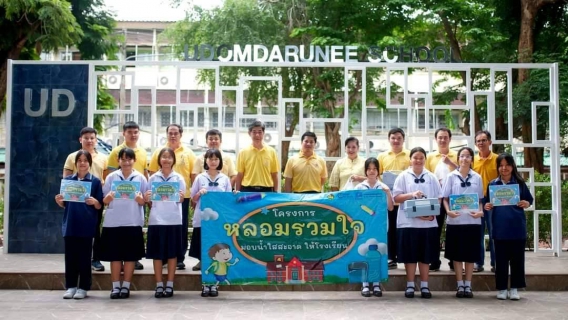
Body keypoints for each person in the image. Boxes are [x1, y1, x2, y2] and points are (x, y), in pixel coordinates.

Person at [392, 147, 442, 299]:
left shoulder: (431, 177)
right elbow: (396, 198)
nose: (418, 160)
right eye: (415, 157)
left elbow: (439, 198)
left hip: (427, 224)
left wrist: (430, 213)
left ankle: (425, 286)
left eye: (421, 158)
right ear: (410, 159)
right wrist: (412, 195)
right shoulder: (402, 176)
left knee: (425, 256)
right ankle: (410, 285)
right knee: (410, 256)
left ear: (425, 160)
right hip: (408, 224)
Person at [484, 153, 533, 301]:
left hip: (517, 227)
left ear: (512, 166)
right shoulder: (493, 184)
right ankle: (502, 289)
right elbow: (487, 202)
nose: (504, 168)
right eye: (501, 165)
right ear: (498, 167)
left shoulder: (519, 183)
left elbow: (529, 200)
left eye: (507, 165)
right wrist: (487, 205)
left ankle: (514, 289)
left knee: (517, 260)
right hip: (500, 228)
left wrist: (526, 203)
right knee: (501, 260)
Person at [56, 150, 103, 300]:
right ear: (75, 163)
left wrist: (95, 202)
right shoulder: (69, 181)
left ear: (90, 163)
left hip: (86, 225)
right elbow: (65, 203)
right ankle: (70, 286)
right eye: (79, 160)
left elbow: (100, 205)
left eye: (85, 160)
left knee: (84, 258)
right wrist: (59, 201)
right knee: (70, 258)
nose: (82, 163)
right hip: (70, 224)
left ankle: (83, 287)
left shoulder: (95, 182)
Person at [101, 148, 148, 299]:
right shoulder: (111, 177)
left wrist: (140, 200)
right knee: (115, 256)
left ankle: (126, 287)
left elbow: (145, 201)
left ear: (134, 161)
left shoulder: (140, 178)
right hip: (113, 223)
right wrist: (108, 197)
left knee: (130, 257)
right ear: (118, 161)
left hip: (133, 222)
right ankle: (115, 287)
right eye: (123, 159)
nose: (126, 162)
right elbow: (104, 200)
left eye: (129, 159)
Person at [149, 124, 196, 270]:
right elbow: (152, 173)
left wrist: (193, 196)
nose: (173, 135)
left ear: (181, 134)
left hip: (181, 197)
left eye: (176, 133)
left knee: (180, 228)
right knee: (162, 227)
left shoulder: (188, 153)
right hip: (160, 198)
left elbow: (193, 175)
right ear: (167, 134)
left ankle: (179, 257)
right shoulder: (158, 151)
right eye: (170, 133)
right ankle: (162, 257)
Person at [105, 121, 148, 271]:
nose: (133, 135)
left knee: (133, 234)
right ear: (124, 134)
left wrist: (144, 198)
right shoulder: (115, 151)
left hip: (135, 201)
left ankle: (134, 259)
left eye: (136, 132)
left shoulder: (142, 152)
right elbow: (109, 174)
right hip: (117, 205)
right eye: (130, 132)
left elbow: (145, 173)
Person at [63, 127, 107, 272]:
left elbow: (105, 179)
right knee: (76, 230)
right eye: (86, 138)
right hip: (76, 199)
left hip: (95, 199)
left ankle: (96, 259)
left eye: (92, 138)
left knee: (95, 229)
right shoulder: (72, 157)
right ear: (80, 139)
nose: (89, 140)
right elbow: (66, 178)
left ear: (96, 140)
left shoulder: (103, 158)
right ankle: (81, 259)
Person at [441, 147, 483, 298]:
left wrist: (480, 211)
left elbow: (479, 200)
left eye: (468, 156)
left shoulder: (477, 177)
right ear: (458, 158)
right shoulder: (451, 177)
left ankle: (468, 285)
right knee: (457, 255)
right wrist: (448, 211)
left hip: (472, 220)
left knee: (470, 255)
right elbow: (445, 198)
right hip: (455, 221)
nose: (465, 159)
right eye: (462, 156)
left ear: (472, 159)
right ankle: (460, 285)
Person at [144, 147, 186, 298]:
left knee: (172, 254)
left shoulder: (179, 178)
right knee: (157, 254)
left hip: (174, 220)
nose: (166, 160)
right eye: (164, 157)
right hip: (156, 220)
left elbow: (181, 199)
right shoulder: (153, 178)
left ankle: (170, 284)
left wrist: (181, 198)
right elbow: (148, 202)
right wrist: (147, 198)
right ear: (159, 160)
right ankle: (159, 284)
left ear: (173, 160)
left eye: (169, 157)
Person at [191, 149, 232, 298]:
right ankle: (205, 284)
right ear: (206, 161)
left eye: (216, 159)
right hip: (202, 220)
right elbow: (193, 199)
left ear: (220, 161)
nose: (213, 161)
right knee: (204, 253)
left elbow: (228, 200)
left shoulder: (225, 179)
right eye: (210, 158)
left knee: (216, 252)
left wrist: (234, 194)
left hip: (217, 221)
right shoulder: (199, 178)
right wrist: (199, 193)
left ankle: (214, 285)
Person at [354, 157, 393, 297]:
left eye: (374, 169)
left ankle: (376, 283)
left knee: (378, 254)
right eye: (369, 169)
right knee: (364, 254)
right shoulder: (359, 187)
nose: (371, 171)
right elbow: (355, 207)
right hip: (364, 227)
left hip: (380, 227)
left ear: (378, 171)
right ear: (365, 171)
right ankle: (364, 284)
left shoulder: (383, 187)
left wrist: (388, 192)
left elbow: (390, 207)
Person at [425, 128, 458, 272]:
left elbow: (464, 172)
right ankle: (434, 260)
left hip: (453, 199)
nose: (442, 140)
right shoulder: (430, 157)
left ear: (450, 139)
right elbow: (426, 176)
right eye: (440, 137)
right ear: (436, 139)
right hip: (436, 198)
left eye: (445, 137)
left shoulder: (457, 155)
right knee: (434, 230)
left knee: (453, 230)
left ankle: (453, 261)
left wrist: (451, 163)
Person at [378, 128, 410, 269]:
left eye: (399, 138)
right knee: (390, 229)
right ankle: (391, 257)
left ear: (403, 139)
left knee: (405, 230)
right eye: (393, 138)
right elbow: (378, 177)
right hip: (390, 201)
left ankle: (406, 257)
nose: (396, 141)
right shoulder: (382, 156)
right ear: (389, 139)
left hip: (405, 200)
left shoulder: (410, 154)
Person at [473, 130, 499, 272]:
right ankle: (478, 263)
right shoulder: (472, 160)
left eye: (484, 140)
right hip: (476, 201)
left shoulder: (498, 159)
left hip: (493, 201)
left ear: (490, 142)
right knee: (478, 232)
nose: (481, 143)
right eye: (478, 141)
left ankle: (496, 263)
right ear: (475, 144)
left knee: (494, 232)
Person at [235, 120, 280, 192]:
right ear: (249, 133)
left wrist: (275, 191)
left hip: (267, 190)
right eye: (254, 132)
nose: (257, 135)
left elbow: (274, 174)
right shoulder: (243, 152)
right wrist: (237, 191)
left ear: (264, 133)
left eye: (260, 132)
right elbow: (240, 174)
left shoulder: (272, 152)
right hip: (247, 189)